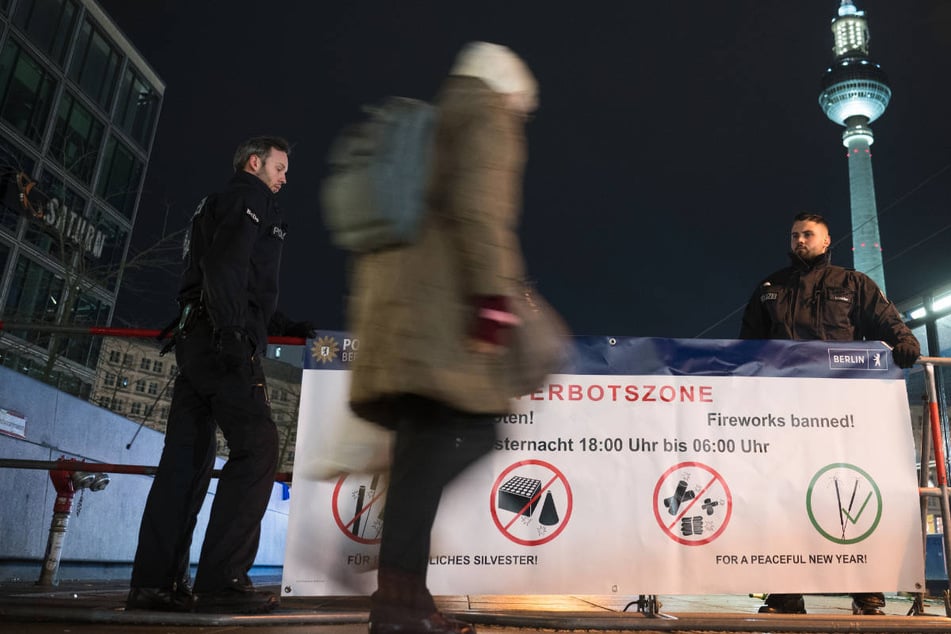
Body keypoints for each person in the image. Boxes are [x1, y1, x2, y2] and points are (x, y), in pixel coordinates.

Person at [347, 42, 539, 634]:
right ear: (511, 93)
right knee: (475, 433)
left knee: (418, 457)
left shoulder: (434, 118)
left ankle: (401, 605)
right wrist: (493, 306)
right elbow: (482, 213)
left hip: (397, 320)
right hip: (442, 323)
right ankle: (402, 601)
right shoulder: (486, 118)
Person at [127, 136, 309, 614]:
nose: (284, 177)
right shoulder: (250, 199)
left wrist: (281, 325)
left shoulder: (217, 203)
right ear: (255, 162)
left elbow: (231, 275)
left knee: (186, 463)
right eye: (280, 167)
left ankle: (154, 584)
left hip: (194, 343)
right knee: (259, 447)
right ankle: (221, 581)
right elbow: (225, 268)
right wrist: (233, 332)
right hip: (220, 343)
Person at [740, 212, 920, 616]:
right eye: (794, 235)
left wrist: (905, 341)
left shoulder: (853, 284)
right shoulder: (770, 288)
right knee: (784, 497)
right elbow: (746, 346)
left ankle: (868, 591)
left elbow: (888, 321)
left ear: (826, 242)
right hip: (783, 413)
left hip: (843, 412)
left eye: (808, 235)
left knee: (853, 492)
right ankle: (785, 594)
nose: (800, 240)